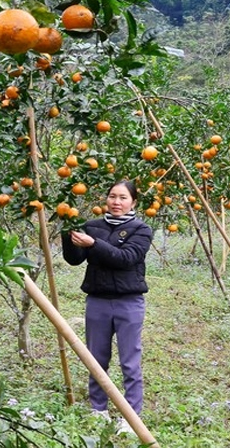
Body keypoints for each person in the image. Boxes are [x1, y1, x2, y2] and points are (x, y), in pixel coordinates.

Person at [61, 180, 153, 424]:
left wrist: (94, 244)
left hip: (128, 303)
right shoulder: (91, 226)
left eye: (123, 198)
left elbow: (126, 258)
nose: (116, 202)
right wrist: (66, 230)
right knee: (96, 359)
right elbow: (74, 259)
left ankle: (131, 417)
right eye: (112, 196)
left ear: (133, 202)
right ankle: (98, 410)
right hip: (98, 301)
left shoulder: (141, 229)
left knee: (129, 362)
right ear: (106, 199)